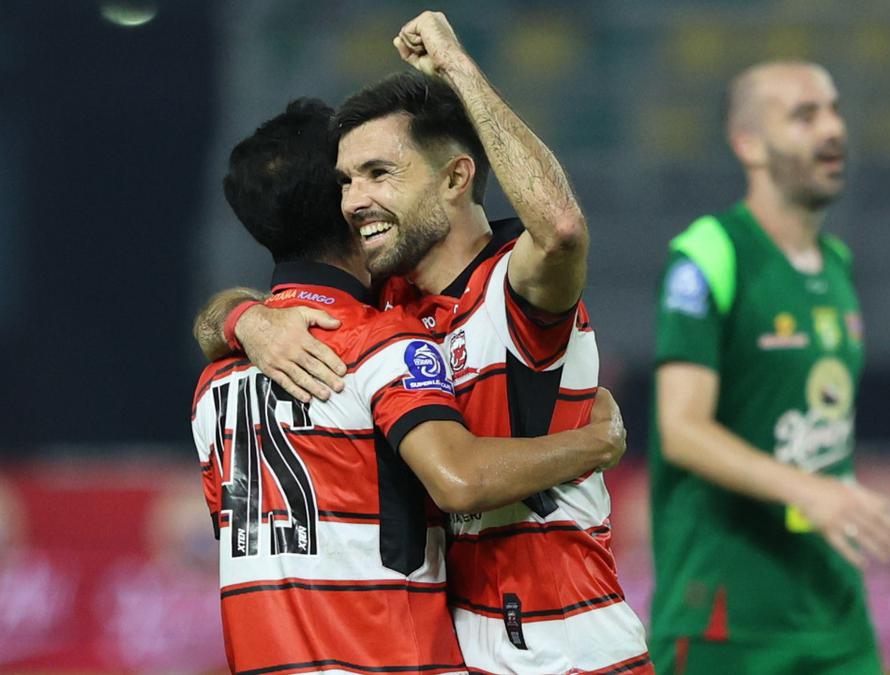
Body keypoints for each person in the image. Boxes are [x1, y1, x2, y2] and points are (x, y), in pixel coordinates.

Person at [193, 13, 650, 674]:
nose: (355, 201)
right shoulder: (391, 308)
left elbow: (559, 229)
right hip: (472, 652)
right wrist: (245, 319)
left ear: (455, 178)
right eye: (347, 181)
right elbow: (240, 311)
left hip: (567, 650)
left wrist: (460, 72)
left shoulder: (512, 289)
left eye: (379, 173)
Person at [648, 61, 890, 674]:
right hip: (726, 621)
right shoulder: (710, 254)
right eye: (804, 115)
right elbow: (681, 430)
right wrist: (808, 490)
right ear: (749, 144)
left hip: (836, 620)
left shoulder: (836, 264)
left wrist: (830, 495)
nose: (833, 128)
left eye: (834, 109)